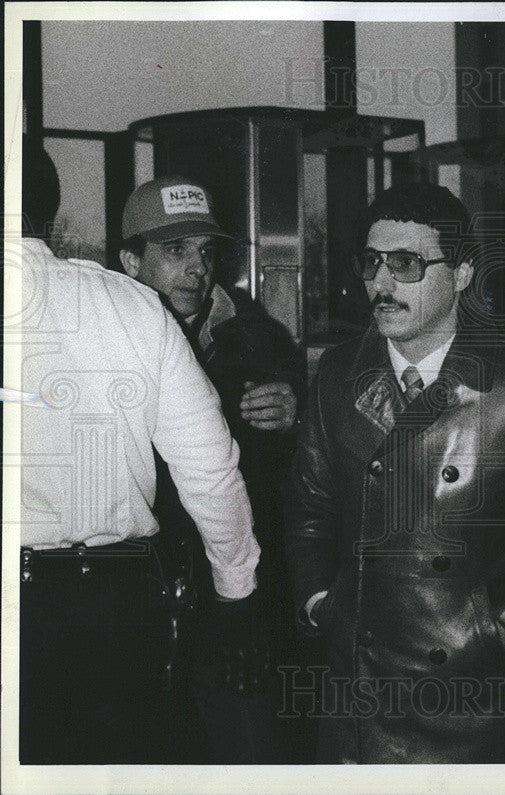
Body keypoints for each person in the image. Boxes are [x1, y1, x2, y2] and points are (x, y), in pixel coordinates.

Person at [285, 182, 505, 763]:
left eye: (406, 264)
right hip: (358, 693)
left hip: (476, 702)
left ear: (464, 274)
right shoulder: (338, 372)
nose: (382, 283)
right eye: (372, 263)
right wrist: (319, 601)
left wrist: (500, 630)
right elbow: (310, 507)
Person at [16, 138, 260, 763]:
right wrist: (237, 595)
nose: (197, 268)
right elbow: (212, 470)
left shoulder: (246, 332)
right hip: (119, 607)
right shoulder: (130, 306)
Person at [118, 177, 306, 761]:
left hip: (239, 591)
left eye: (205, 251)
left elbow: (304, 480)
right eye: (174, 251)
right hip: (138, 591)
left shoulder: (260, 337)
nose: (196, 269)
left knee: (248, 746)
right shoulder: (108, 339)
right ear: (130, 261)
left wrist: (296, 413)